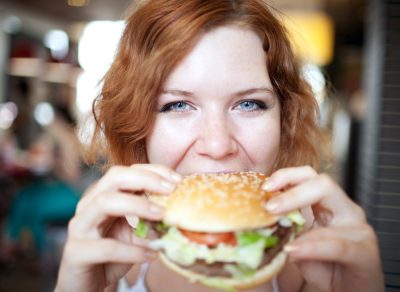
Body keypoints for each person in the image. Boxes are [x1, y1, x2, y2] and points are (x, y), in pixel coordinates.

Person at [55, 0, 384, 291]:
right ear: (137, 125)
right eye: (177, 105)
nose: (217, 145)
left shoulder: (309, 266)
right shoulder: (109, 244)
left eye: (249, 104)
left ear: (284, 120)